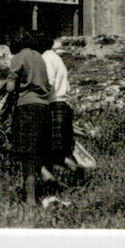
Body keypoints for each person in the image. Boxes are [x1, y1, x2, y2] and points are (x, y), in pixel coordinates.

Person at [0, 29, 55, 202]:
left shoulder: (19, 57)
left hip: (27, 107)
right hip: (43, 107)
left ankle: (30, 200)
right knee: (39, 150)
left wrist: (1, 90)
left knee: (27, 155)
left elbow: (11, 87)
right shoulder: (39, 58)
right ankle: (48, 185)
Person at [32, 32, 84, 175]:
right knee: (61, 148)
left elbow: (48, 82)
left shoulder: (46, 58)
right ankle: (75, 175)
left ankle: (79, 172)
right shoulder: (56, 58)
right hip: (63, 103)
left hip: (54, 104)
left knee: (54, 151)